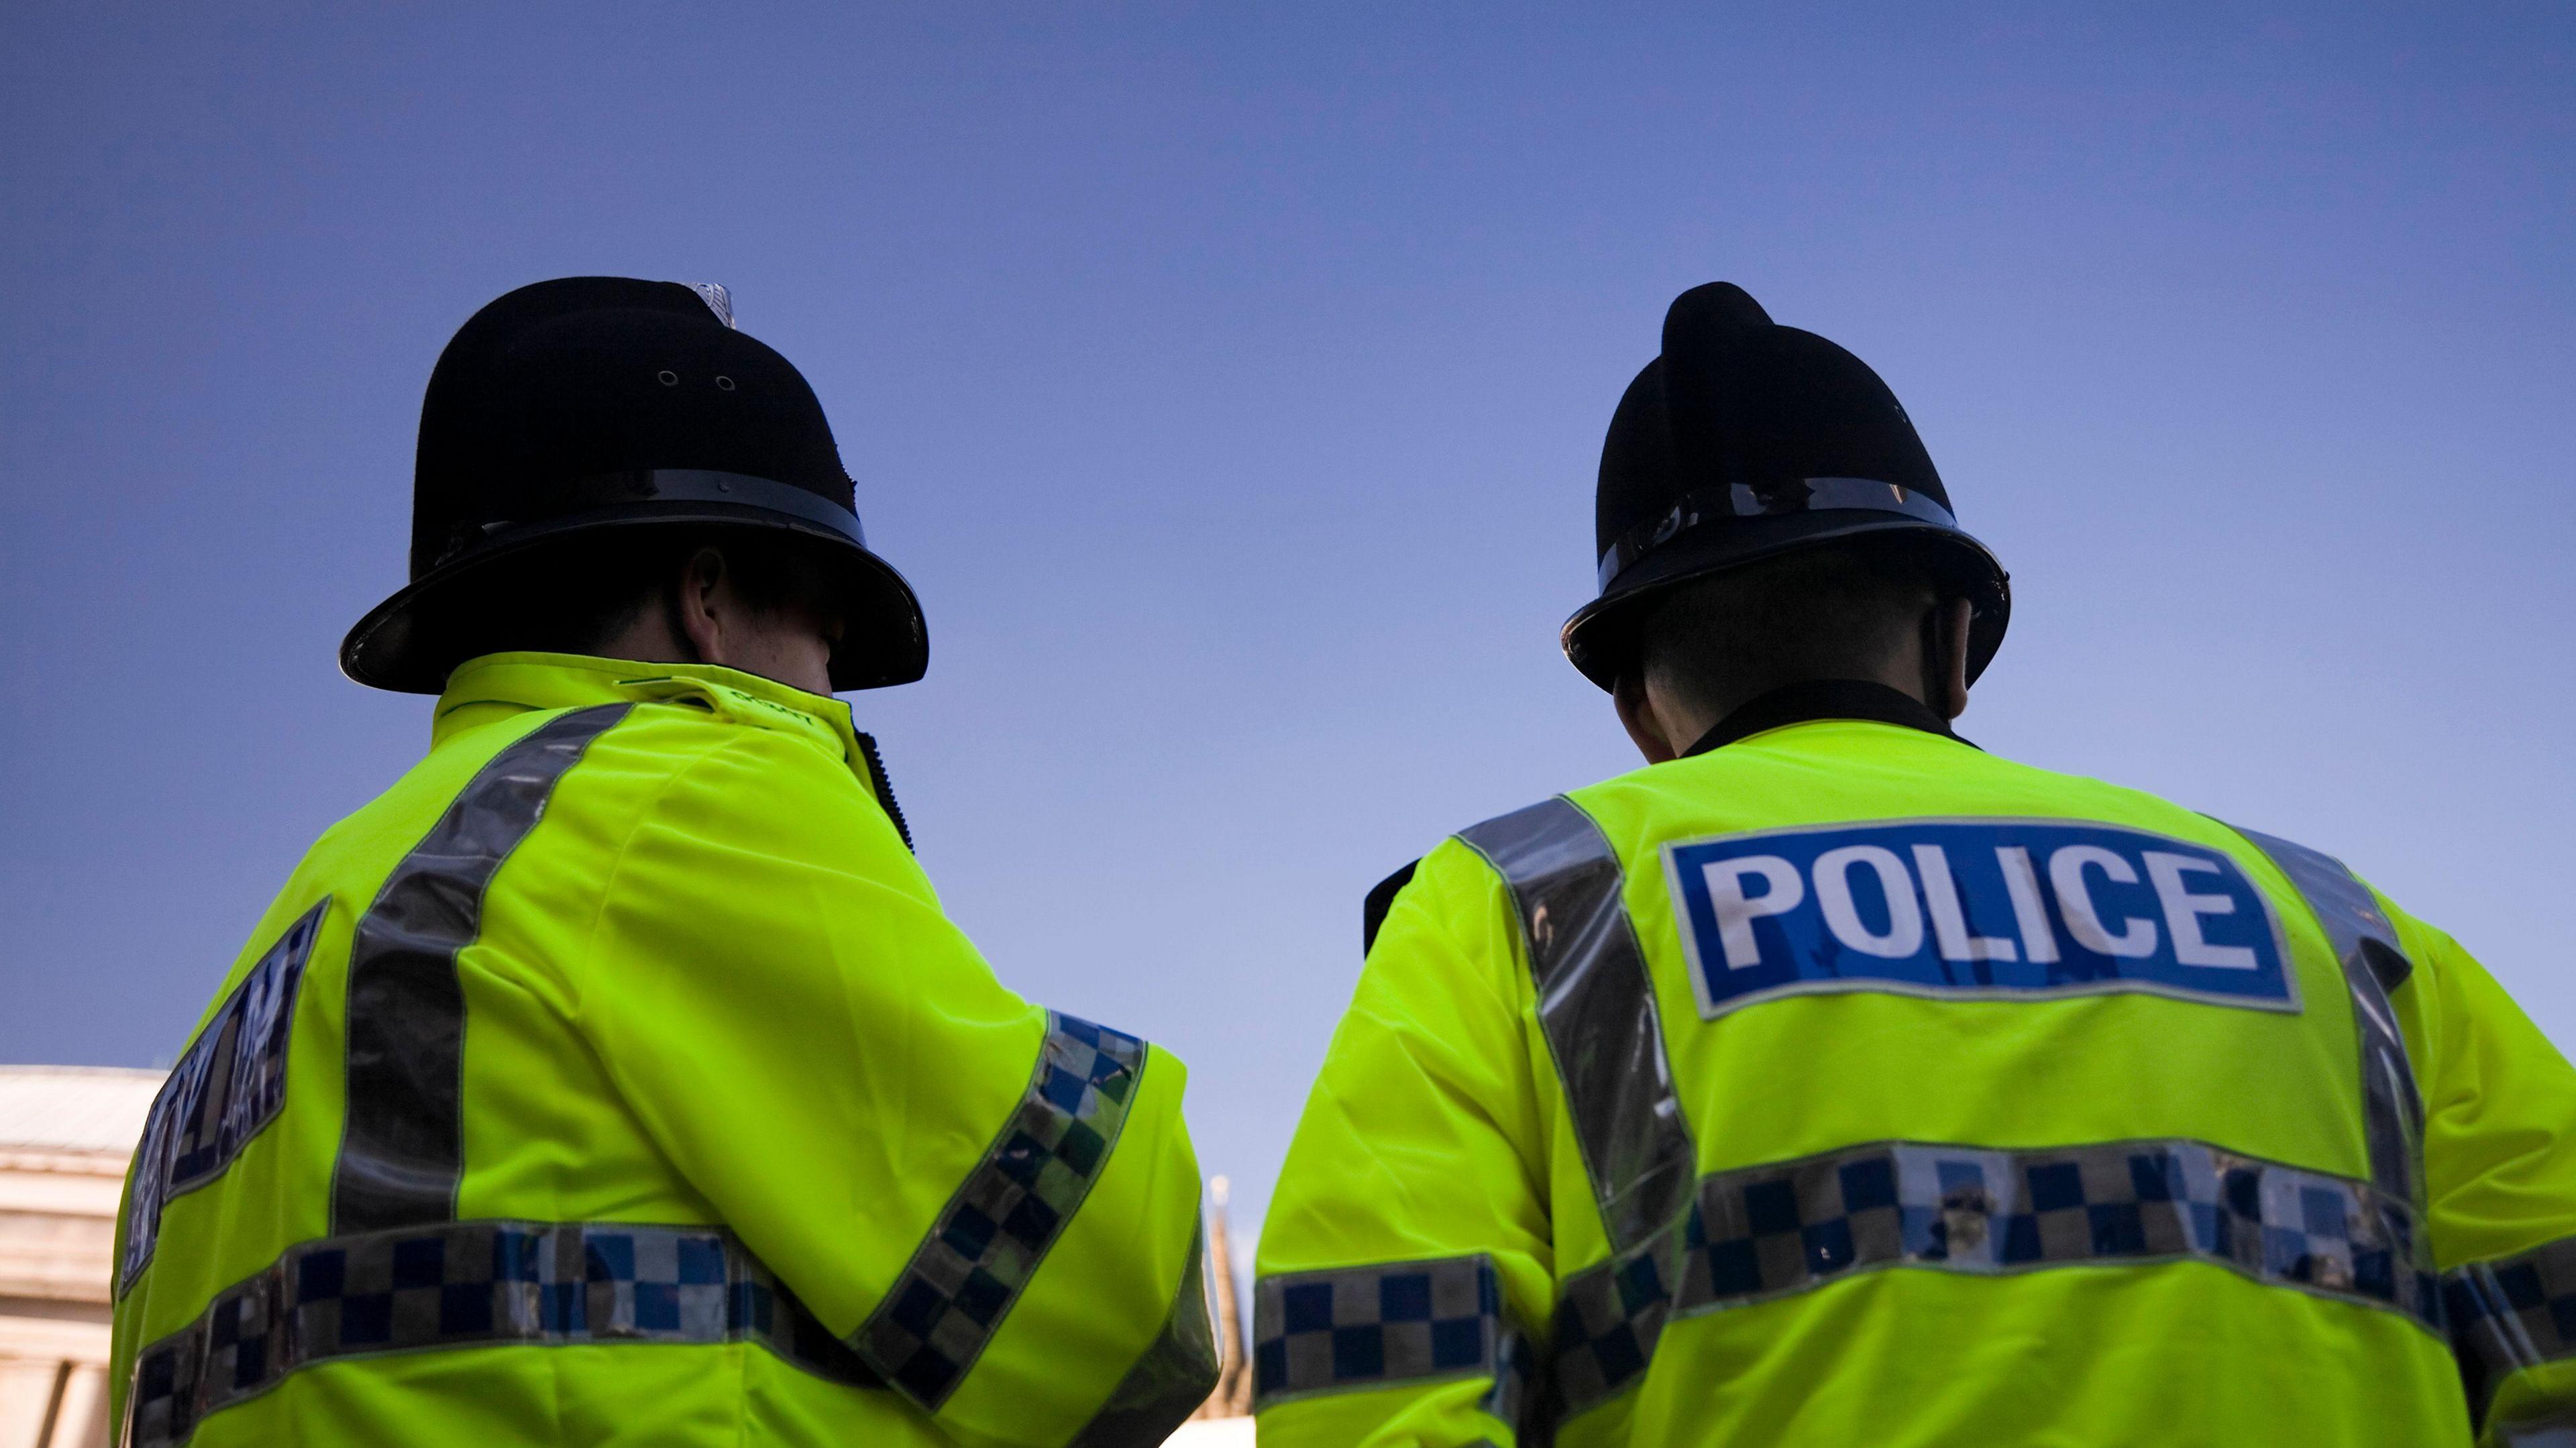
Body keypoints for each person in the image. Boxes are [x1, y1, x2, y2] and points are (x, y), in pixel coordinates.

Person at [1250, 282, 2576, 1447]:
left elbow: (1375, 1370)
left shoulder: (1518, 905)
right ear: (1951, 642)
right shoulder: (2337, 924)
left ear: (1639, 712)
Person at [105, 278, 1218, 1448]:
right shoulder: (678, 793)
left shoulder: (288, 954)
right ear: (709, 600)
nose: (832, 690)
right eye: (827, 636)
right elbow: (1118, 1306)